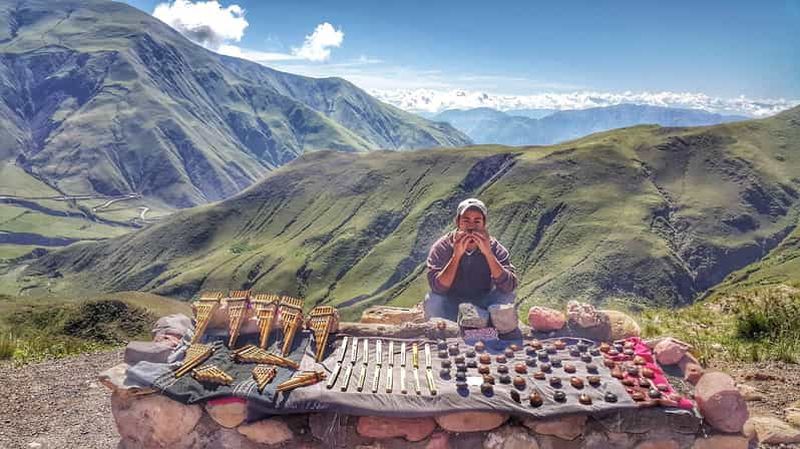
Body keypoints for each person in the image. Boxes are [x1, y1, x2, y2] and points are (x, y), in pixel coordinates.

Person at [423, 198, 518, 323]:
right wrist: (456, 256)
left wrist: (488, 254)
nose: (471, 227)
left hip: (484, 302)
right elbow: (438, 288)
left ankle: (490, 332)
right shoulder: (442, 247)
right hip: (452, 302)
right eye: (466, 220)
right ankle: (444, 333)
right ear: (458, 222)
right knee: (433, 300)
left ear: (484, 224)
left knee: (506, 297)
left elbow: (508, 286)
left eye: (477, 221)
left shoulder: (495, 248)